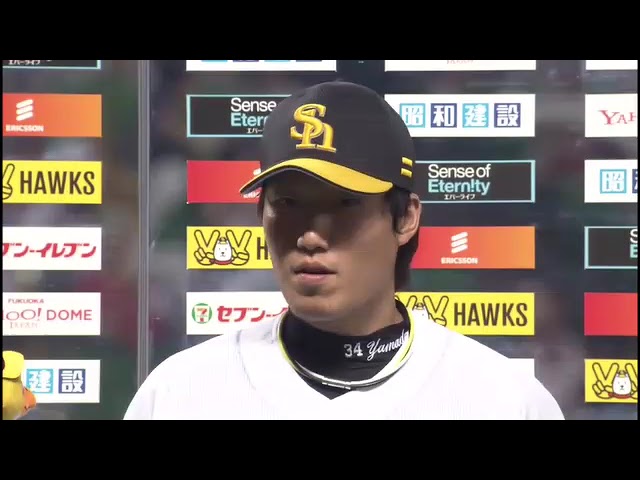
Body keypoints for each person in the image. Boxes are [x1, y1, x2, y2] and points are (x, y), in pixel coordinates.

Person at [124, 80, 564, 420]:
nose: (310, 236)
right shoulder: (180, 393)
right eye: (288, 204)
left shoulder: (502, 399)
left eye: (344, 205)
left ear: (405, 218)